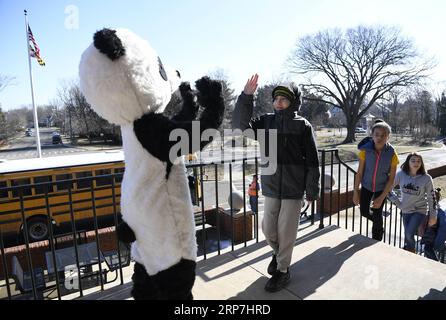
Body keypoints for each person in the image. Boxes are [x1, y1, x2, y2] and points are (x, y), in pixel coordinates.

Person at [232, 74, 320, 292]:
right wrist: (246, 97)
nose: (278, 102)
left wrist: (312, 189)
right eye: (276, 99)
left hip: (293, 189)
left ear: (293, 102)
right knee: (268, 228)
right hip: (271, 187)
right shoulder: (265, 122)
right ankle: (278, 254)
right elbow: (240, 126)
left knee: (287, 231)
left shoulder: (303, 126)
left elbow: (312, 161)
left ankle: (282, 271)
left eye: (284, 99)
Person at [353, 121, 399, 241]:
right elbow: (359, 173)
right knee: (364, 211)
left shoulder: (392, 153)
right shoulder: (365, 151)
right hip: (367, 186)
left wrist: (382, 196)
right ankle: (379, 224)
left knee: (377, 212)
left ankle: (377, 239)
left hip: (381, 188)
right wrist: (355, 191)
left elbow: (392, 178)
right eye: (377, 134)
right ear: (372, 135)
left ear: (388, 136)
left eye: (383, 135)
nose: (379, 137)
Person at [387, 153, 437, 253]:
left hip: (420, 210)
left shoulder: (426, 178)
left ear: (421, 163)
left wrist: (433, 215)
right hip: (405, 209)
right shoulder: (401, 174)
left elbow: (432, 197)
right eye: (413, 160)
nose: (416, 163)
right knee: (407, 235)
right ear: (408, 162)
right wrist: (397, 202)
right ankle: (411, 252)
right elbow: (388, 189)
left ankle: (412, 252)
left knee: (409, 234)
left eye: (419, 161)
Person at [422, 188, 445, 260]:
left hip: (433, 238)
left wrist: (438, 242)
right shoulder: (431, 210)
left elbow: (443, 228)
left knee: (428, 250)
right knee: (427, 251)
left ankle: (437, 265)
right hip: (429, 237)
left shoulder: (439, 212)